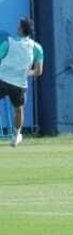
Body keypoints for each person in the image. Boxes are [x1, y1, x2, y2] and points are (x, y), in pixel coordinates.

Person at [0, 17, 44, 147]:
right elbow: (38, 71)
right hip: (18, 85)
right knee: (18, 110)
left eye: (19, 25)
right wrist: (25, 73)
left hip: (2, 80)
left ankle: (16, 136)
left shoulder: (7, 43)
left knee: (18, 110)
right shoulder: (38, 48)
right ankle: (17, 135)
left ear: (20, 29)